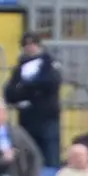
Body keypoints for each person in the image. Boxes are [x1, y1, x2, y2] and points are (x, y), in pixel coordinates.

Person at [4, 33, 62, 167]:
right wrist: (31, 90)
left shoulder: (49, 63)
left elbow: (51, 83)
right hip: (27, 119)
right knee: (28, 156)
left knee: (50, 156)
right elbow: (9, 93)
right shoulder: (19, 68)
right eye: (26, 44)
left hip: (48, 118)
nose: (30, 47)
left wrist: (24, 89)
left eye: (33, 43)